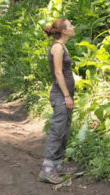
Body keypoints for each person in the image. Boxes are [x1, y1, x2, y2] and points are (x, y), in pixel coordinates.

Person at [38, 18, 77, 184]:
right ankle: (47, 169)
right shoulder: (57, 47)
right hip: (60, 95)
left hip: (65, 94)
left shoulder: (62, 46)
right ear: (63, 30)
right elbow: (59, 73)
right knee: (57, 129)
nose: (73, 27)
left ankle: (57, 165)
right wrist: (67, 96)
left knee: (65, 129)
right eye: (70, 25)